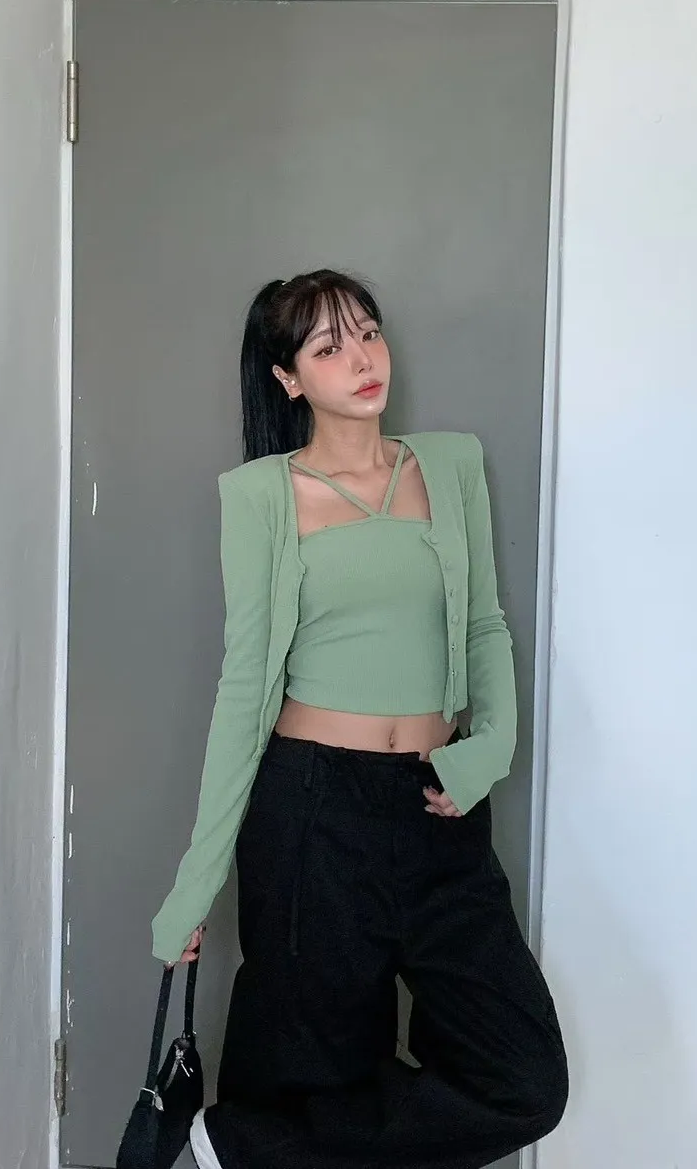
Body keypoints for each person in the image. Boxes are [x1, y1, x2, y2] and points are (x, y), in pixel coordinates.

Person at [152, 269, 568, 1169]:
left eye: (368, 332)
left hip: (438, 802)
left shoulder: (449, 465)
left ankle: (240, 1144)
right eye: (329, 346)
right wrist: (196, 881)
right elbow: (245, 687)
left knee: (525, 1078)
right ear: (288, 378)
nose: (363, 358)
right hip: (312, 810)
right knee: (317, 1071)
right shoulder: (262, 495)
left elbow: (486, 625)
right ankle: (256, 1137)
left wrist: (487, 752)